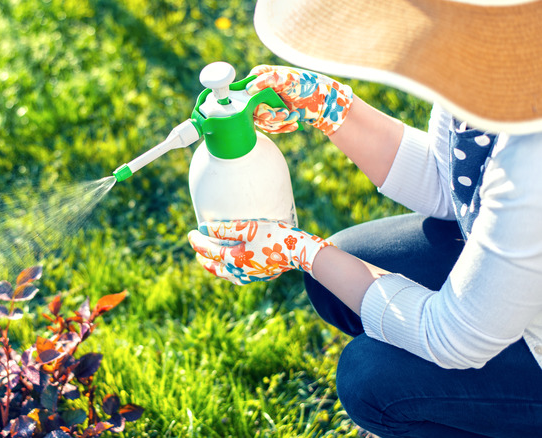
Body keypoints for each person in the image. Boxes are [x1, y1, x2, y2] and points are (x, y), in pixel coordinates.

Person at [186, 0, 542, 436]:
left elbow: (455, 338)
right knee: (346, 266)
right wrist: (331, 106)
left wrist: (301, 249)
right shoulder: (493, 63)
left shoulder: (533, 158)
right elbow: (452, 182)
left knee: (371, 378)